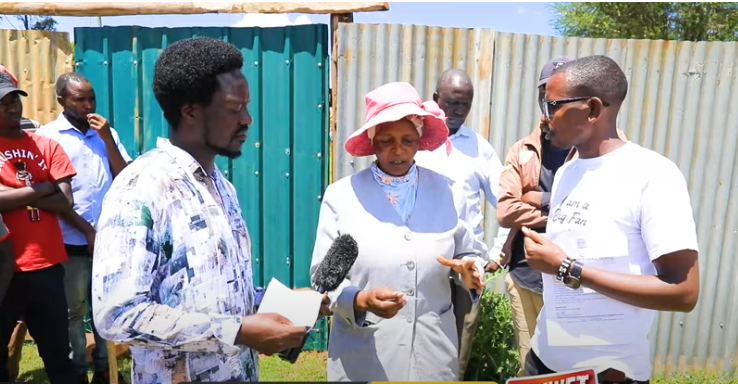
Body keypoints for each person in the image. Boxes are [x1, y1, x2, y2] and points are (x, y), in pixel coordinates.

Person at [91, 36, 314, 384]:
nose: (247, 119)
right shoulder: (141, 187)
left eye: (246, 106)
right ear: (191, 112)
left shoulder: (221, 187)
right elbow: (117, 314)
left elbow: (217, 293)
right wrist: (238, 331)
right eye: (233, 108)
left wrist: (280, 303)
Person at [521, 55, 700, 384]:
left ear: (591, 109)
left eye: (552, 106)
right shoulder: (566, 173)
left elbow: (683, 292)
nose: (544, 119)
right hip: (543, 363)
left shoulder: (653, 175)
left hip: (610, 374)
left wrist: (566, 268)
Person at [311, 81, 489, 381]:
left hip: (432, 354)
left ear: (420, 139)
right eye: (385, 141)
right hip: (366, 354)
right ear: (371, 142)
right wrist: (360, 300)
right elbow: (323, 280)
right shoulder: (342, 196)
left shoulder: (449, 192)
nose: (397, 150)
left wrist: (472, 272)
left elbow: (469, 254)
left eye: (407, 140)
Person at [413, 68, 509, 378]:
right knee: (415, 340)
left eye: (464, 105)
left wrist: (496, 253)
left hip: (466, 266)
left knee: (459, 349)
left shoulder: (479, 148)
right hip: (421, 262)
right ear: (435, 99)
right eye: (451, 103)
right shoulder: (416, 143)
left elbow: (507, 203)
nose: (457, 112)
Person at [36, 72, 131, 384]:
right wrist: (87, 231)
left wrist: (106, 139)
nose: (88, 105)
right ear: (62, 100)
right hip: (69, 241)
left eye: (91, 98)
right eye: (80, 99)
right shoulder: (48, 137)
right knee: (73, 311)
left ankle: (104, 366)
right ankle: (77, 369)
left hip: (107, 242)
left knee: (104, 308)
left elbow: (125, 178)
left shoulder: (106, 134)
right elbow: (52, 195)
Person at [494, 56, 575, 375]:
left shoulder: (592, 149)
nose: (553, 103)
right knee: (529, 366)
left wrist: (537, 197)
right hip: (523, 276)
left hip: (571, 281)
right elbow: (505, 210)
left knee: (569, 369)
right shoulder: (523, 149)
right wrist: (561, 207)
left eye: (563, 95)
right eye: (548, 95)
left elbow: (596, 211)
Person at [0, 71, 80, 383]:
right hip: (3, 271)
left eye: (14, 99)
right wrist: (40, 189)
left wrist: (10, 196)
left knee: (59, 356)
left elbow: (65, 202)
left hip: (46, 266)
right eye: (2, 102)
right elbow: (52, 194)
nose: (11, 106)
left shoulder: (46, 145)